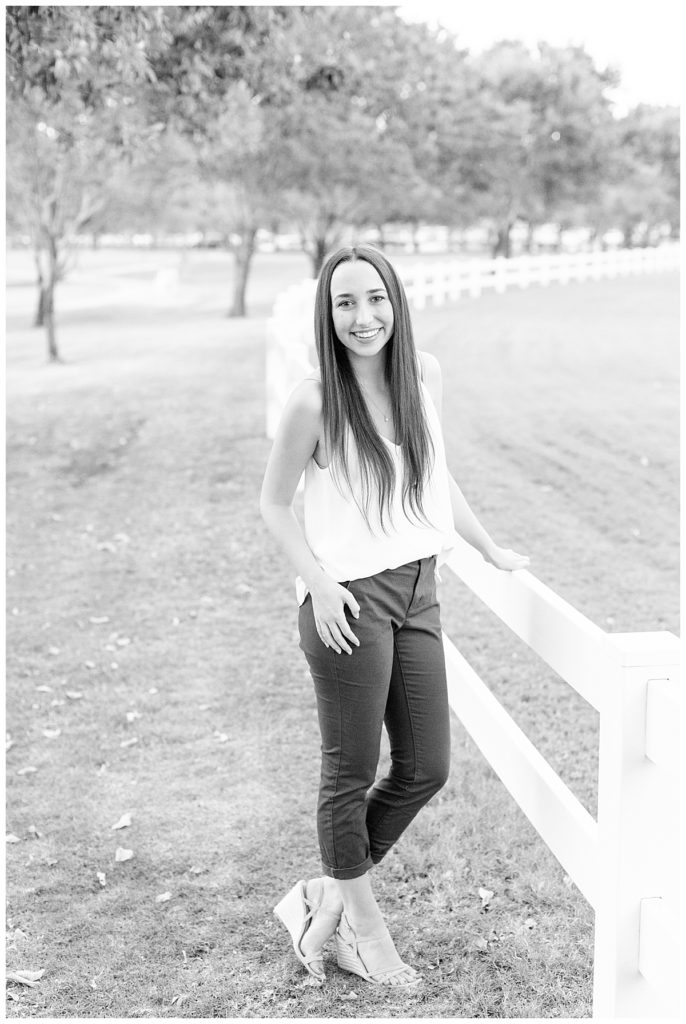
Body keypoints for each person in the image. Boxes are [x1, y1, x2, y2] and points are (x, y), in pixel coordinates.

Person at [260, 243, 529, 988]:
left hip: (418, 589)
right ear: (328, 312)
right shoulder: (315, 400)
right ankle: (367, 933)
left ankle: (325, 894)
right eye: (345, 302)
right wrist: (315, 582)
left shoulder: (424, 375)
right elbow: (273, 503)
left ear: (395, 301)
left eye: (373, 298)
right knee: (350, 774)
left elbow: (435, 477)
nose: (362, 316)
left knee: (426, 767)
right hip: (348, 599)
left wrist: (491, 548)